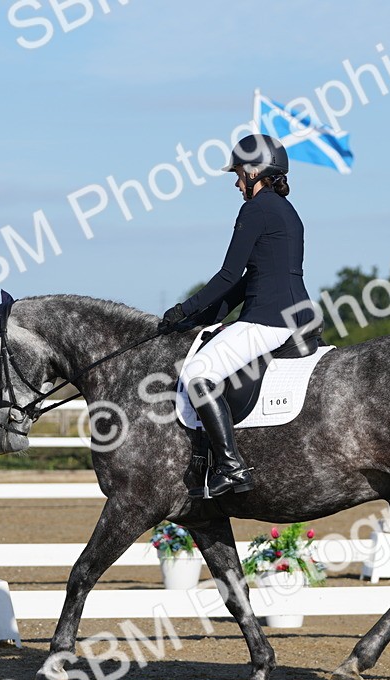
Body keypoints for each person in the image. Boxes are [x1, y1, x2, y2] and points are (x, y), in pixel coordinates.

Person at [159, 134, 315, 498]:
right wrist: (204, 317)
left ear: (256, 171)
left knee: (198, 374)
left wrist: (184, 308)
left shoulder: (255, 209)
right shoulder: (287, 212)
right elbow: (251, 280)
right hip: (297, 314)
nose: (236, 181)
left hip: (269, 319)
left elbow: (229, 274)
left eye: (240, 172)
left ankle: (231, 466)